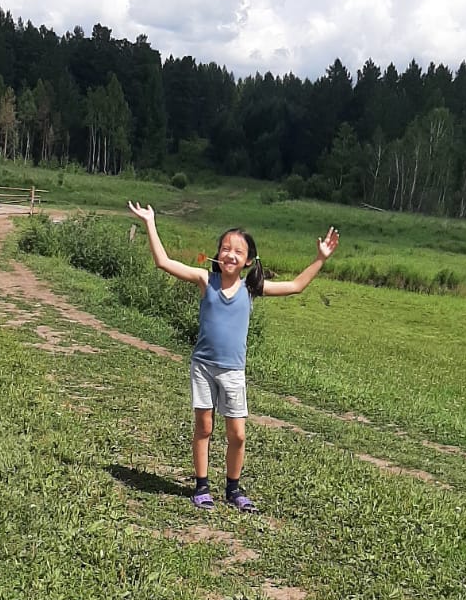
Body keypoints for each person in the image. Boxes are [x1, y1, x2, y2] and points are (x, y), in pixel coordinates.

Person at [127, 202, 339, 510]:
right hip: (203, 367)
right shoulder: (205, 280)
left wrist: (320, 258)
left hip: (233, 372)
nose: (230, 254)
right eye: (225, 248)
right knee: (204, 428)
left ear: (249, 260)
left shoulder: (251, 289)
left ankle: (233, 489)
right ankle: (201, 486)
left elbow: (295, 286)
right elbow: (163, 262)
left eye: (238, 251)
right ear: (217, 254)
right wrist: (150, 222)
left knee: (237, 434)